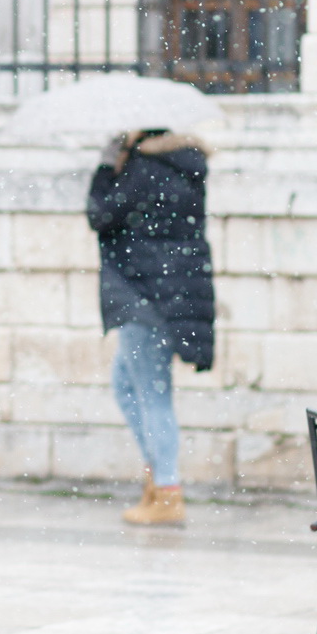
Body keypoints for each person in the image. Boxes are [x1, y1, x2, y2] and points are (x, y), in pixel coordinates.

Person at [86, 127, 215, 526]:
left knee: (152, 395)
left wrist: (106, 168)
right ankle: (159, 479)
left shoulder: (146, 169)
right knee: (129, 386)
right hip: (171, 294)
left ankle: (167, 491)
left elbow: (100, 215)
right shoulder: (187, 167)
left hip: (144, 294)